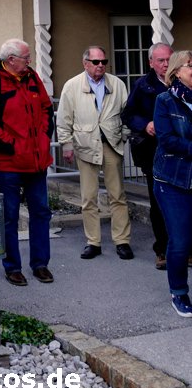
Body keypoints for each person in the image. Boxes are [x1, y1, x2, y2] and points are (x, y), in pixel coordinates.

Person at [0, 38, 54, 287]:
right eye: (26, 57)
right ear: (11, 60)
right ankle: (13, 267)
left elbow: (45, 109)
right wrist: (13, 146)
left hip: (37, 162)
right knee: (9, 216)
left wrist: (42, 138)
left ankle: (40, 264)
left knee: (40, 212)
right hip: (9, 164)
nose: (30, 61)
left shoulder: (32, 78)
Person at [56, 46, 133, 260]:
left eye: (104, 62)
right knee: (88, 197)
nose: (101, 66)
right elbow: (63, 119)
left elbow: (127, 112)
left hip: (111, 144)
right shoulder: (72, 86)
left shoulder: (116, 84)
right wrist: (66, 144)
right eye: (96, 62)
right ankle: (93, 242)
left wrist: (124, 135)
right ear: (85, 63)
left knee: (117, 195)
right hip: (86, 145)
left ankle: (122, 241)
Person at [122, 42, 172, 269]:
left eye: (169, 59)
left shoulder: (182, 81)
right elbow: (128, 114)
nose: (165, 64)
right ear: (151, 62)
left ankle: (185, 249)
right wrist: (145, 124)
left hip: (181, 153)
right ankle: (162, 250)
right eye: (160, 60)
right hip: (154, 152)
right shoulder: (143, 85)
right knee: (159, 202)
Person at [153, 50, 192, 317]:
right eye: (191, 65)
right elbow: (166, 140)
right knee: (180, 241)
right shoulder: (164, 101)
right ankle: (179, 292)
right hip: (172, 179)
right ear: (177, 71)